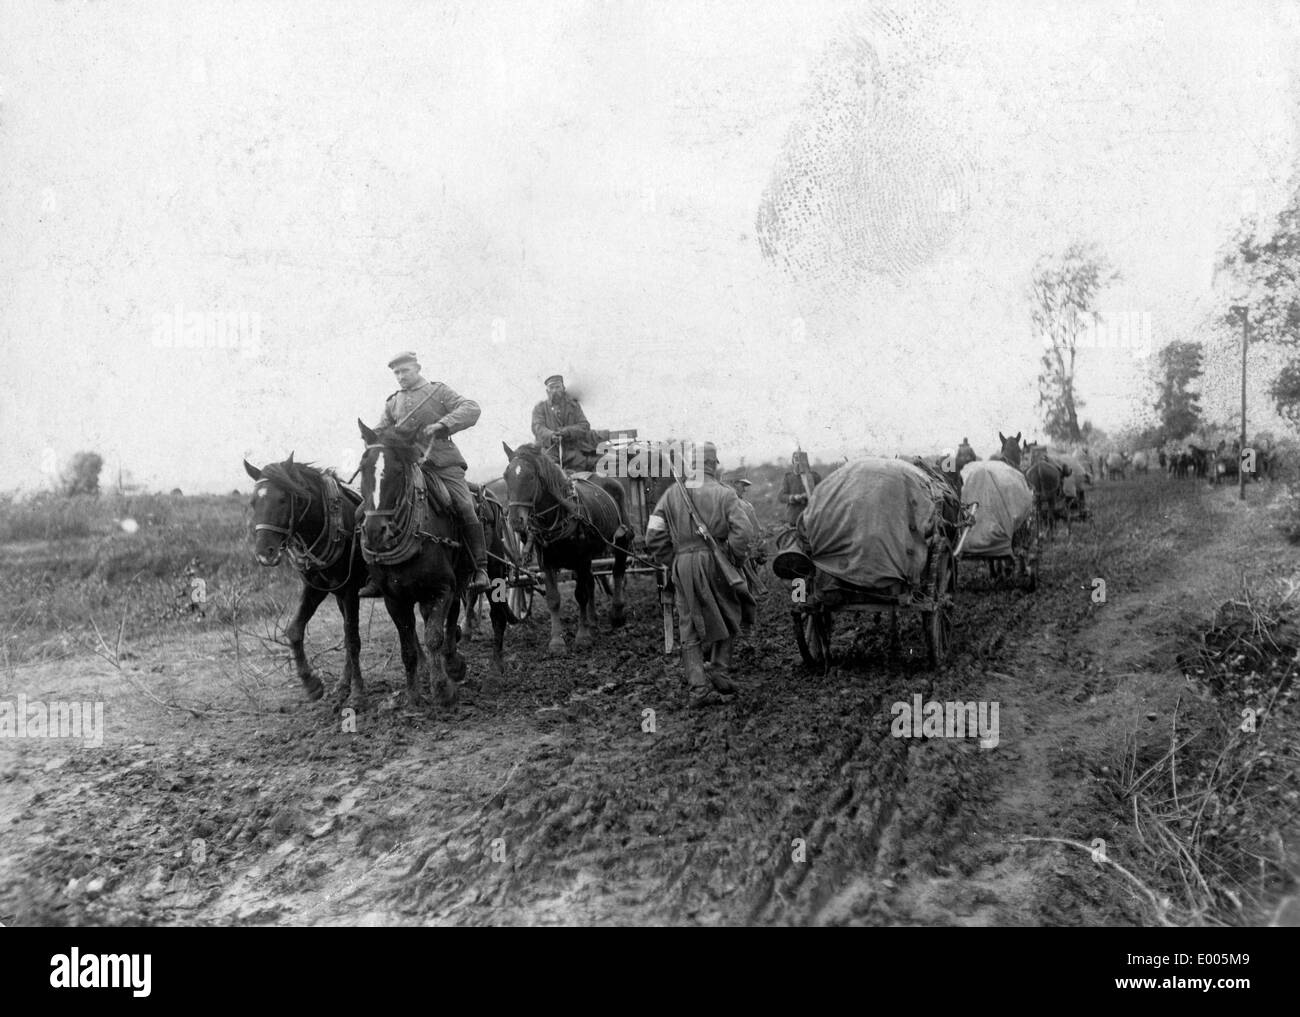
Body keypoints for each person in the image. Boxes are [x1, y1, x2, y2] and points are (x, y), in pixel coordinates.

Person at [357, 352, 490, 596]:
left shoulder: (438, 392)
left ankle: (480, 568)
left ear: (417, 368)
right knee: (364, 510)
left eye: (404, 371)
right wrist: (371, 438)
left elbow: (471, 408)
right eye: (396, 373)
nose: (400, 377)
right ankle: (376, 574)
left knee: (464, 505)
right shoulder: (393, 402)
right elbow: (381, 429)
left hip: (442, 463)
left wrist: (442, 424)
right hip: (405, 467)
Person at [646, 443, 755, 707]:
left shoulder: (671, 494)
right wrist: (734, 559)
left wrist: (674, 561)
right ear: (713, 464)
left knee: (688, 623)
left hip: (682, 564)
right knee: (731, 611)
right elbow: (743, 532)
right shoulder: (725, 494)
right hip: (716, 561)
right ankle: (719, 669)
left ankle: (698, 687)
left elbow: (653, 535)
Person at [531, 375, 604, 472]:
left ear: (563, 388)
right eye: (551, 388)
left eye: (557, 387)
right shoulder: (540, 408)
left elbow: (584, 425)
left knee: (582, 472)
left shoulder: (573, 406)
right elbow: (537, 427)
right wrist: (551, 435)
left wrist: (568, 431)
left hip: (572, 452)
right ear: (547, 391)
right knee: (547, 473)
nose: (555, 391)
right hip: (550, 452)